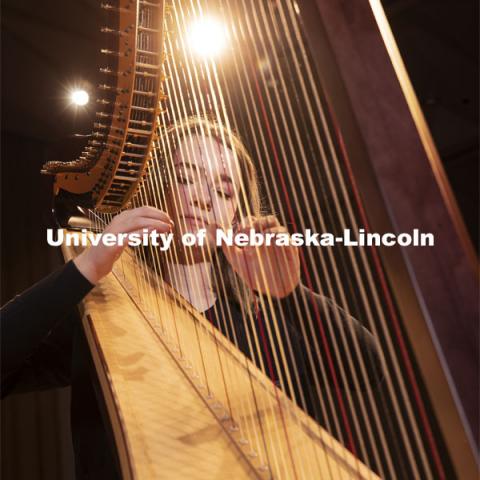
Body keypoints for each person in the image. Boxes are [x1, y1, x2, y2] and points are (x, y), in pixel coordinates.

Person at [1, 117, 382, 479]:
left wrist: (291, 295)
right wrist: (86, 269)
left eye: (223, 190)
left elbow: (369, 371)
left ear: (236, 214)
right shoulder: (101, 313)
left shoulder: (272, 313)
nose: (203, 199)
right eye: (186, 179)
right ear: (155, 189)